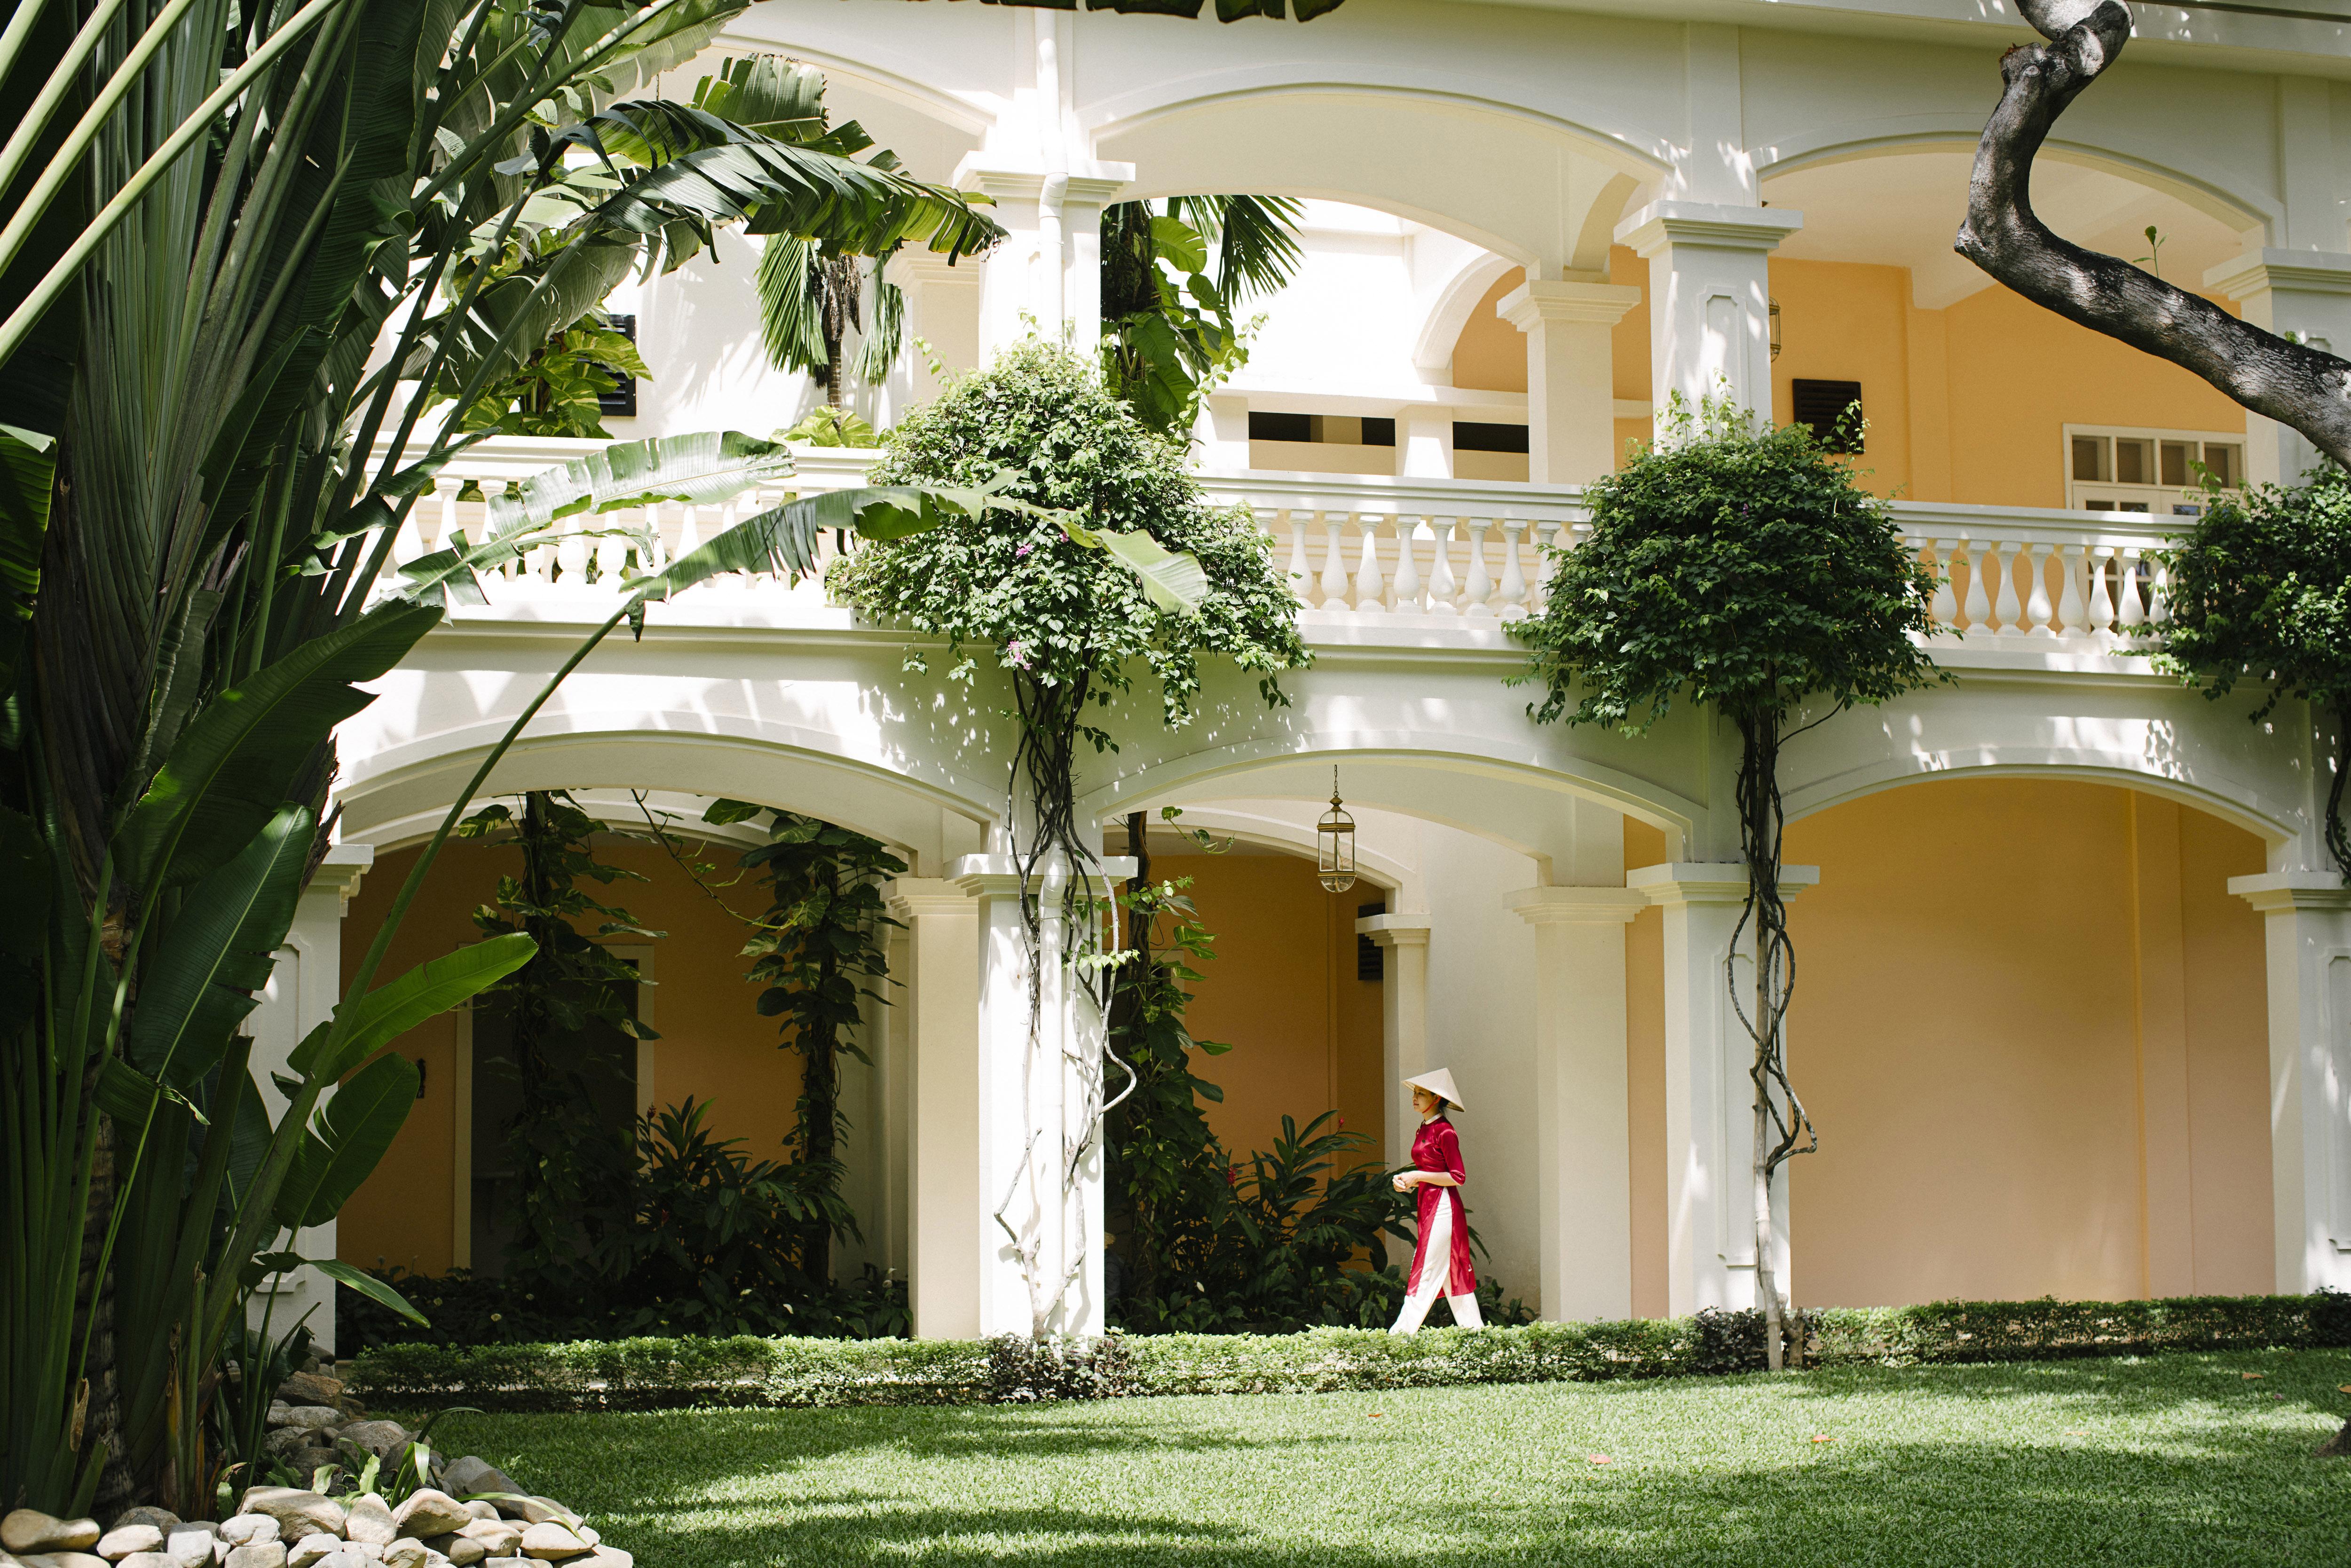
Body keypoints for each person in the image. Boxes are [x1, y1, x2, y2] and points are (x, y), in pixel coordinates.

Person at [1389, 1068, 1482, 1334]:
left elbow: (1458, 1176)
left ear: (1437, 1099)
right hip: (1428, 1204)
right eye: (1415, 1093)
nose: (1415, 1098)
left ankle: (1398, 1338)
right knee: (1452, 1278)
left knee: (1425, 1271)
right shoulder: (1424, 1129)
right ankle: (1477, 1338)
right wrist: (1410, 1181)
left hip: (1443, 1207)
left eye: (1421, 1093)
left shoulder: (1445, 1132)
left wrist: (1417, 1175)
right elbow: (1430, 1172)